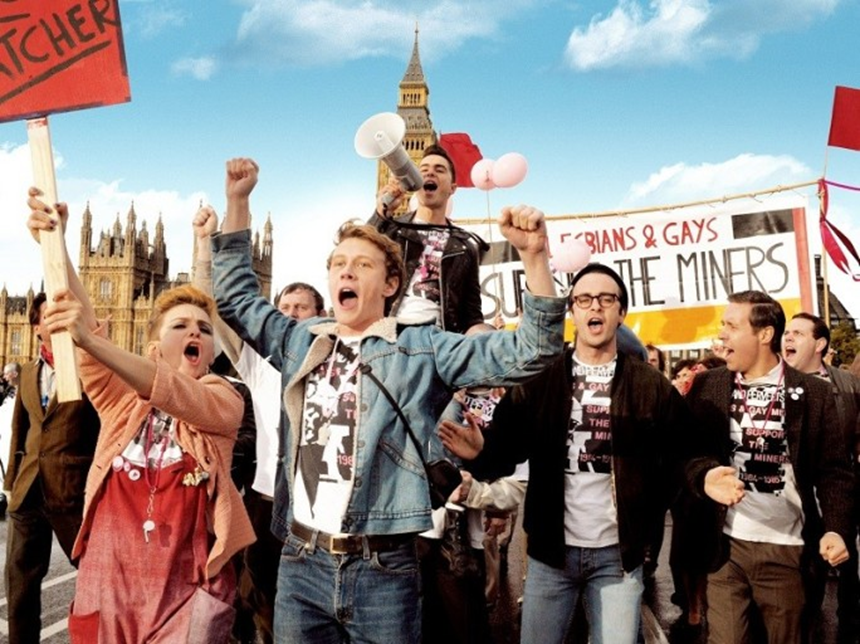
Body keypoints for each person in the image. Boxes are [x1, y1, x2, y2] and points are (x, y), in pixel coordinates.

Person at [210, 157, 566, 644]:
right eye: (338, 264)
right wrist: (237, 201)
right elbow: (234, 297)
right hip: (301, 563)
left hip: (382, 569)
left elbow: (534, 349)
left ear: (391, 284)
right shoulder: (300, 341)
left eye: (362, 265)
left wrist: (535, 258)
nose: (346, 272)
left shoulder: (422, 349)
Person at [26, 189, 255, 643]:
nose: (194, 332)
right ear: (153, 346)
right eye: (180, 325)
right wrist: (57, 247)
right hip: (109, 584)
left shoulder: (223, 400)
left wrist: (92, 342)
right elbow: (90, 333)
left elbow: (172, 390)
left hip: (183, 592)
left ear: (212, 350)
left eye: (204, 329)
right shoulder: (121, 401)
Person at [464, 262, 702, 644]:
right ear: (572, 310)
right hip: (550, 556)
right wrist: (480, 451)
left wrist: (657, 507)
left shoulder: (650, 384)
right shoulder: (540, 379)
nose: (595, 307)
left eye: (606, 299)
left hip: (617, 558)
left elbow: (682, 454)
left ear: (621, 312)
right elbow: (505, 451)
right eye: (585, 299)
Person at [684, 291, 854, 644]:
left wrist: (836, 529)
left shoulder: (813, 393)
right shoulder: (708, 385)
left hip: (787, 550)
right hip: (725, 549)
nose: (722, 335)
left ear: (764, 334)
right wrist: (705, 476)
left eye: (732, 326)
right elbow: (688, 453)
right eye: (723, 325)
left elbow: (834, 471)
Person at [193, 206, 326, 644]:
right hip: (267, 501)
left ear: (320, 315)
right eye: (283, 307)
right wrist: (206, 246)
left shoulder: (339, 361)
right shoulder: (259, 362)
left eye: (300, 308)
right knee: (262, 598)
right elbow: (211, 312)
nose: (290, 314)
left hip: (318, 506)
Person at [2, 292, 100, 644]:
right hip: (28, 492)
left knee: (94, 578)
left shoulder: (90, 370)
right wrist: (12, 482)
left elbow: (103, 430)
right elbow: (21, 430)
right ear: (36, 327)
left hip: (72, 491)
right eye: (49, 315)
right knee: (20, 584)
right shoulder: (28, 372)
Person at [783, 311, 860, 642]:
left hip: (839, 485)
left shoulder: (848, 383)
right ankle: (807, 622)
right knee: (806, 567)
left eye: (798, 333)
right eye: (786, 332)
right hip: (795, 495)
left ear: (820, 344)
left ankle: (849, 623)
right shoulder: (775, 382)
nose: (788, 338)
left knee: (846, 555)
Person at [368, 143, 488, 334]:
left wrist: (483, 335)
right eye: (423, 170)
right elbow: (358, 255)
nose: (430, 173)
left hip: (441, 341)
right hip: (390, 334)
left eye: (439, 170)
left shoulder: (465, 247)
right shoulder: (393, 230)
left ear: (452, 188)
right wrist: (381, 214)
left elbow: (471, 315)